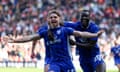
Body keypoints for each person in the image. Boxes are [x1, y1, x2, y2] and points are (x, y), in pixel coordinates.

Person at [3, 10, 103, 72]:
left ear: (59, 19)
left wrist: (95, 34)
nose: (53, 19)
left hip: (67, 62)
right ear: (48, 20)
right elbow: (31, 38)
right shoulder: (44, 31)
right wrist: (15, 40)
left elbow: (80, 34)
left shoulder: (65, 30)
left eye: (55, 17)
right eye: (51, 17)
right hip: (52, 61)